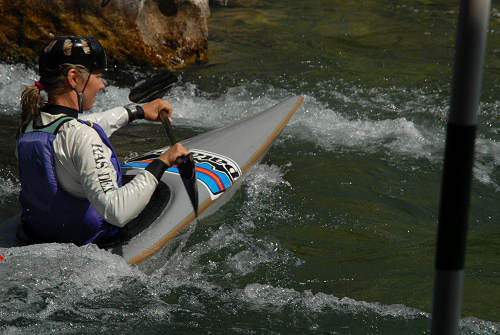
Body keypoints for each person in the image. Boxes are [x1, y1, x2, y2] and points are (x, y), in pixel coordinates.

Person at [16, 35, 189, 246]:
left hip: (39, 236)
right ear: (74, 78)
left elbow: (84, 126)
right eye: (97, 76)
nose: (102, 85)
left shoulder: (29, 126)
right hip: (88, 245)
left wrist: (137, 111)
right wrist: (163, 161)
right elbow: (116, 211)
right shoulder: (81, 136)